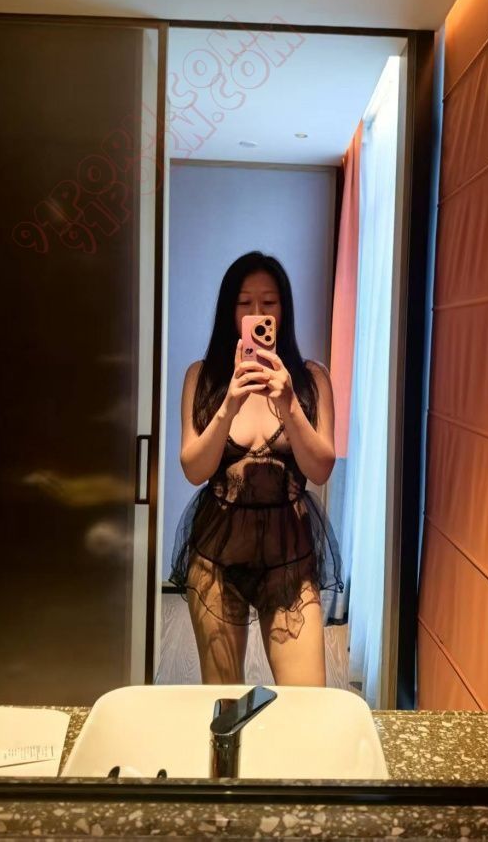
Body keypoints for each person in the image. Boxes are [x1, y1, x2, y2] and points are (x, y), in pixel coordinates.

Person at [170, 251, 344, 686]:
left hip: (290, 558)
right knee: (225, 702)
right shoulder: (203, 377)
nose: (257, 313)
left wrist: (289, 403)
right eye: (245, 303)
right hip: (217, 559)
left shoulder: (311, 379)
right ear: (230, 311)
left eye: (269, 303)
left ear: (284, 310)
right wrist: (228, 404)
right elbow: (194, 469)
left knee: (307, 701)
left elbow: (320, 468)